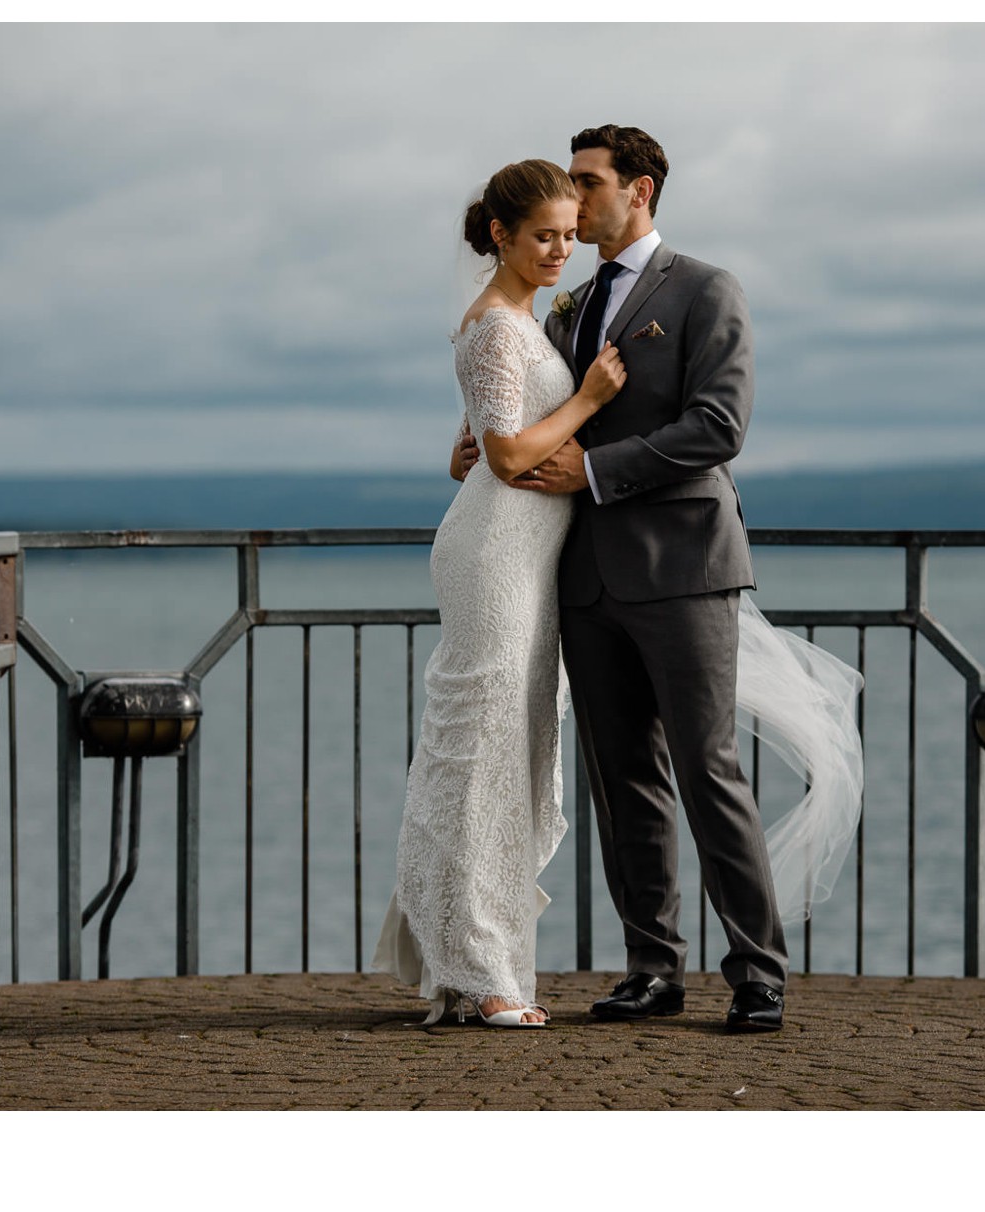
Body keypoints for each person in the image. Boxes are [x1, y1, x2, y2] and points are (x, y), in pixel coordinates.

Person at [461, 125, 860, 1033]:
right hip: (586, 579)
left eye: (589, 183)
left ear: (638, 190)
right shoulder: (564, 310)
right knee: (623, 779)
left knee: (708, 769)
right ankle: (652, 968)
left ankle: (758, 974)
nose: (575, 199)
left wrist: (596, 472)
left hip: (684, 569)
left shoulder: (706, 290)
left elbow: (719, 426)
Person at [372, 159, 626, 1028]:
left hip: (527, 559)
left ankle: (466, 962)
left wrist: (469, 441)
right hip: (494, 556)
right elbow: (513, 461)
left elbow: (475, 445)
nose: (561, 250)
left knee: (509, 753)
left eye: (567, 233)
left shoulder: (520, 321)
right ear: (501, 238)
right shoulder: (493, 326)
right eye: (543, 236)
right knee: (479, 752)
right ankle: (479, 974)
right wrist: (589, 398)